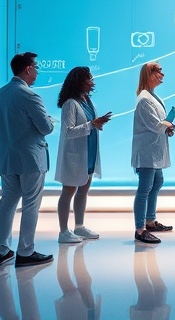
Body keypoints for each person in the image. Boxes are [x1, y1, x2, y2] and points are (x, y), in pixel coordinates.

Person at [0, 52, 55, 268]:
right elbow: (45, 127)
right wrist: (49, 121)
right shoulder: (30, 95)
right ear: (28, 69)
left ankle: (1, 251)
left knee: (7, 202)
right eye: (35, 67)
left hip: (7, 158)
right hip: (31, 159)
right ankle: (25, 251)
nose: (37, 71)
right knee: (30, 204)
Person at [55, 66, 112, 244]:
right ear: (80, 81)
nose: (92, 82)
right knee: (69, 191)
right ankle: (63, 231)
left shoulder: (86, 100)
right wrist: (91, 124)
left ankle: (79, 226)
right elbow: (68, 132)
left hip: (88, 152)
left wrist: (96, 123)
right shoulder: (70, 103)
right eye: (89, 79)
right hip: (75, 156)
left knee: (83, 190)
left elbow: (88, 123)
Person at [132, 61, 175, 244]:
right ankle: (140, 229)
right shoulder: (144, 99)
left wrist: (167, 127)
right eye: (159, 71)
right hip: (147, 151)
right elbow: (154, 124)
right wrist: (166, 125)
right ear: (149, 74)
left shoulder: (152, 96)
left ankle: (150, 220)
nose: (162, 75)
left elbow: (159, 124)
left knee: (157, 182)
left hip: (154, 150)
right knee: (144, 189)